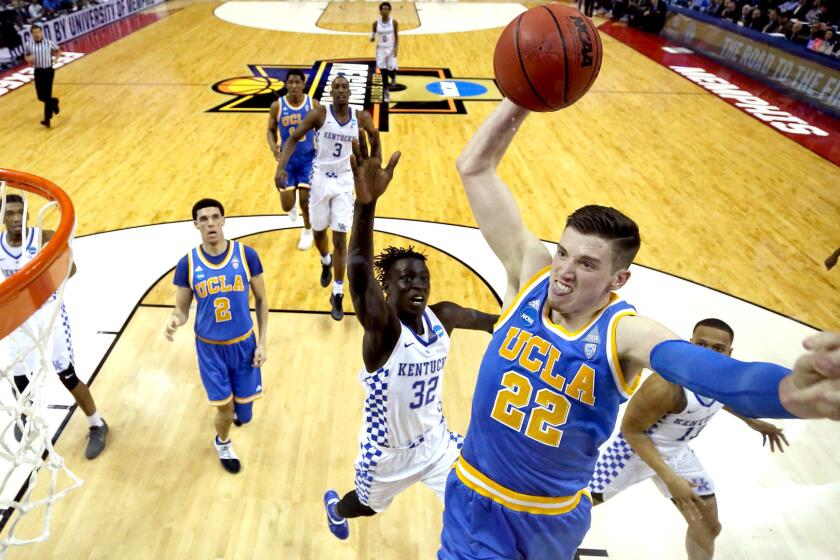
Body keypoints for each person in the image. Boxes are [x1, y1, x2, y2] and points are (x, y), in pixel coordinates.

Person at [438, 99, 840, 560]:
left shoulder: (626, 334)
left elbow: (717, 374)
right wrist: (522, 99)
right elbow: (474, 168)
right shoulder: (530, 274)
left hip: (555, 517)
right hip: (478, 505)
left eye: (587, 263)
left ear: (618, 279)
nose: (564, 271)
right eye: (564, 252)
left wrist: (789, 391)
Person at [323, 131, 498, 540]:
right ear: (388, 290)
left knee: (476, 499)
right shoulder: (383, 330)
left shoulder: (445, 316)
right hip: (386, 456)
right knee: (363, 506)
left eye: (422, 277)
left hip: (435, 443)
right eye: (406, 278)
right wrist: (366, 207)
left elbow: (497, 321)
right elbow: (361, 272)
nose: (417, 284)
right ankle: (335, 508)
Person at [589, 318, 788, 560]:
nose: (709, 353)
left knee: (708, 527)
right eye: (701, 345)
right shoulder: (666, 385)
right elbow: (632, 432)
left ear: (729, 352)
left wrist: (751, 421)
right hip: (632, 453)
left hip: (677, 453)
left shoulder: (723, 376)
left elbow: (717, 395)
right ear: (690, 343)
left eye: (718, 349)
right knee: (576, 505)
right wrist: (670, 479)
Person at [164, 199, 268, 474]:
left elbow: (261, 299)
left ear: (223, 221)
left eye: (215, 217)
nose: (210, 223)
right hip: (210, 350)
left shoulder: (247, 255)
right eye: (204, 219)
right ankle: (223, 443)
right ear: (195, 224)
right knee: (224, 410)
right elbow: (182, 309)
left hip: (244, 346)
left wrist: (263, 342)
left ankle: (237, 414)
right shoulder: (187, 263)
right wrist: (175, 320)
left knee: (244, 413)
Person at [1, 194, 108, 459]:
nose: (16, 218)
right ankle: (26, 416)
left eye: (20, 213)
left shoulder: (43, 238)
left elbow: (71, 270)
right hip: (18, 316)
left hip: (48, 314)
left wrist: (39, 278)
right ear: (2, 218)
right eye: (10, 213)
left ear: (27, 216)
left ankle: (97, 423)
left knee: (67, 374)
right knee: (18, 375)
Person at [276, 75, 377, 321]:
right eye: (336, 87)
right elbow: (292, 138)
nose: (341, 91)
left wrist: (375, 164)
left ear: (350, 92)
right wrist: (280, 168)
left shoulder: (361, 117)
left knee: (341, 239)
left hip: (344, 182)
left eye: (344, 87)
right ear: (331, 92)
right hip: (319, 179)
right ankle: (325, 260)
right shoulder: (319, 115)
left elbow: (375, 137)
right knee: (319, 233)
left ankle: (338, 294)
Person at [268, 70, 318, 250]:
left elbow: (322, 127)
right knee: (287, 205)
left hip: (307, 160)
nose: (295, 86)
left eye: (298, 82)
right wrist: (274, 147)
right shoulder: (277, 106)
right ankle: (291, 206)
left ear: (303, 84)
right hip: (287, 161)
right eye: (291, 82)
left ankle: (307, 231)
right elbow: (270, 130)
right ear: (286, 84)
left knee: (305, 200)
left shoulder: (312, 104)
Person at [23, 23, 60, 128]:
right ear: (31, 34)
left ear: (41, 32)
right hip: (38, 71)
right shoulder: (29, 44)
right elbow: (26, 54)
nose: (37, 34)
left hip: (48, 71)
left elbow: (58, 50)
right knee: (40, 96)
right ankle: (54, 102)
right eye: (35, 32)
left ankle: (47, 119)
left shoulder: (48, 42)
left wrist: (56, 59)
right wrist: (28, 59)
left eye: (38, 32)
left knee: (47, 95)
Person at [370, 2, 398, 102]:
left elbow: (396, 36)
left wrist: (396, 49)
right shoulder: (376, 23)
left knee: (391, 69)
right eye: (383, 9)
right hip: (381, 50)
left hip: (390, 49)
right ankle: (386, 91)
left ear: (389, 10)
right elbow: (372, 35)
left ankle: (393, 76)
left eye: (387, 8)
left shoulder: (394, 22)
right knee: (383, 72)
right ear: (380, 11)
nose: (385, 10)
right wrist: (372, 37)